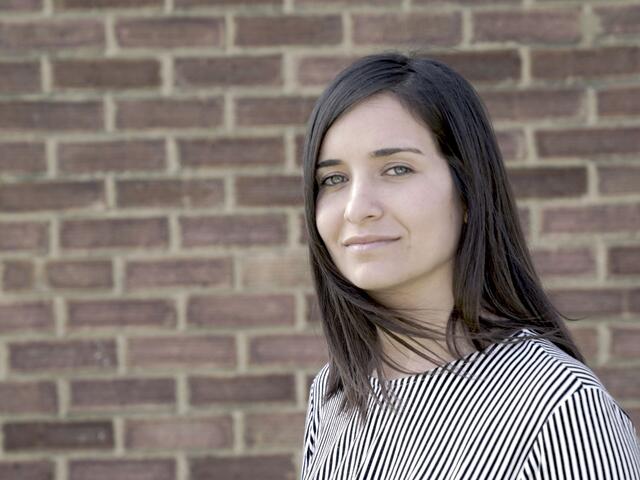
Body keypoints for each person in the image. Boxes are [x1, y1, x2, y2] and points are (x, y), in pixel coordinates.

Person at [298, 50, 640, 479]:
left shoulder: (559, 406)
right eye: (333, 179)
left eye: (397, 169)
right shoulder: (336, 393)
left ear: (468, 192)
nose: (357, 208)